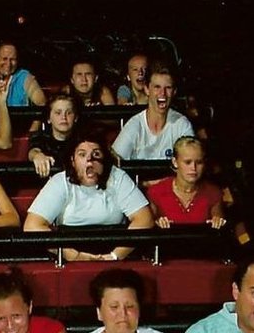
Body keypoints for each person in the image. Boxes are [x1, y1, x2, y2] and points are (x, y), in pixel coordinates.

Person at [24, 130, 153, 261]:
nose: (90, 161)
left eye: (96, 154)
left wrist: (115, 256)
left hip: (114, 253)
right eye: (82, 154)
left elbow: (144, 219)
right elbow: (32, 226)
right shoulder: (60, 181)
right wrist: (74, 256)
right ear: (73, 160)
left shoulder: (117, 177)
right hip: (70, 256)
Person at [112, 62, 194, 161]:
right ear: (147, 89)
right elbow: (116, 164)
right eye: (157, 87)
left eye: (168, 88)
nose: (162, 93)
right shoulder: (134, 125)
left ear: (174, 92)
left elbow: (191, 162)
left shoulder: (182, 124)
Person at [147, 136, 225, 228]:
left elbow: (219, 227)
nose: (193, 168)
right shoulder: (156, 192)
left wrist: (217, 223)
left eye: (199, 162)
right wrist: (157, 225)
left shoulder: (213, 193)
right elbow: (148, 227)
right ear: (175, 162)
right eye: (187, 162)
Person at [27, 93, 79, 178]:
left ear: (76, 117)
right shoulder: (41, 138)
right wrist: (37, 156)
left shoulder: (83, 139)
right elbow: (33, 151)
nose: (64, 117)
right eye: (58, 113)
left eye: (69, 113)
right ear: (49, 118)